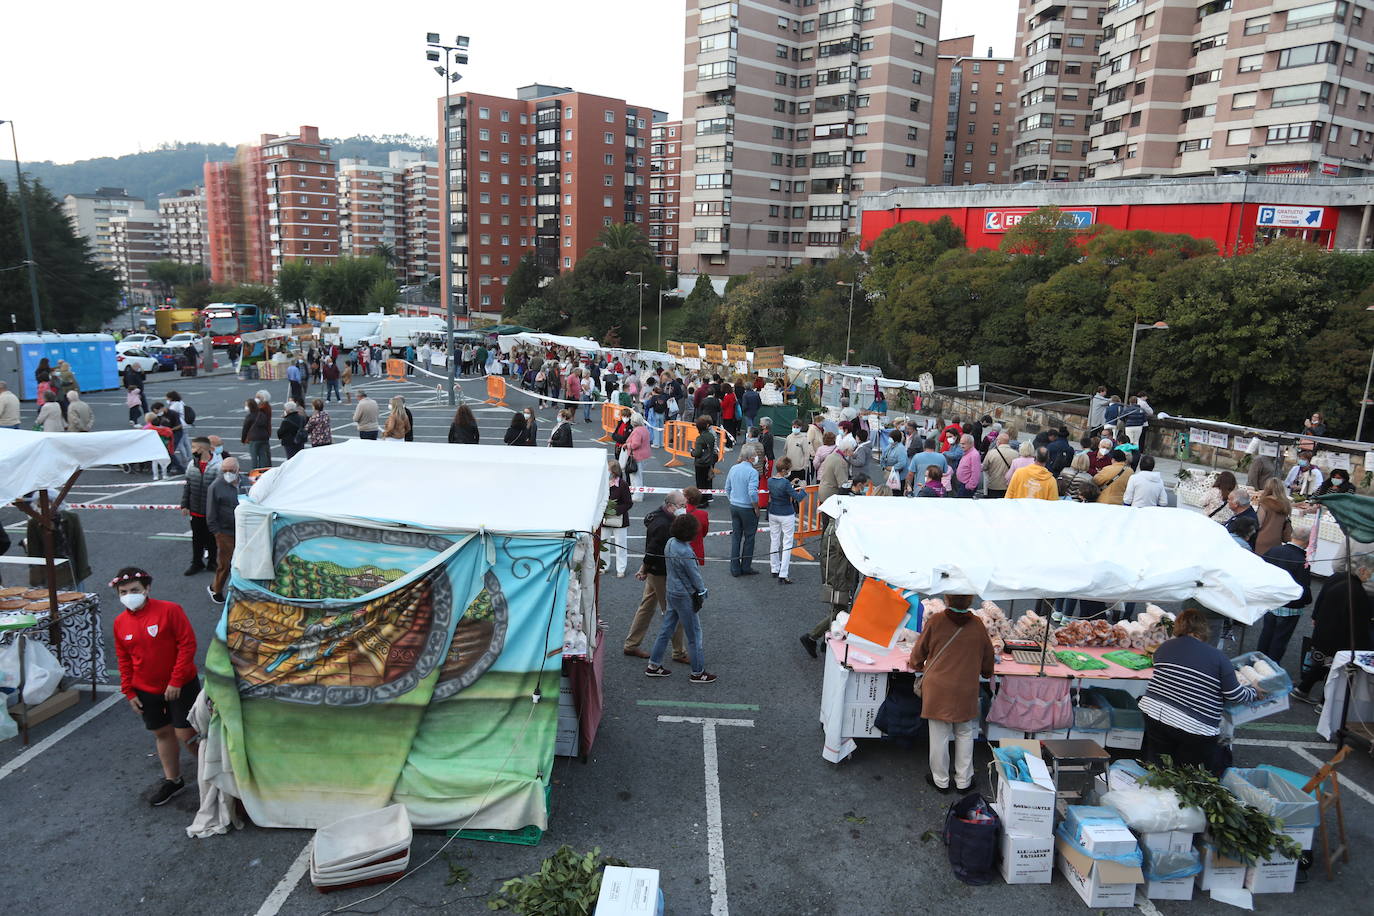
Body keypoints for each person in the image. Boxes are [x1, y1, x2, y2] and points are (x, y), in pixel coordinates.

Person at [109, 567, 201, 806]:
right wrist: (128, 691)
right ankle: (173, 780)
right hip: (146, 690)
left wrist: (176, 680)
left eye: (135, 590)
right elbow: (124, 659)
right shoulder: (120, 623)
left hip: (181, 685)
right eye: (124, 591)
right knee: (162, 733)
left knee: (187, 734)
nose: (130, 595)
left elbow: (187, 645)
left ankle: (213, 776)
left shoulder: (170, 610)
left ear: (147, 589)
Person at [1139, 608, 1258, 776]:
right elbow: (1235, 695)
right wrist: (1255, 692)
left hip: (1154, 713)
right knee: (1190, 774)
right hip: (1194, 727)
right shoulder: (1218, 658)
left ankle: (1157, 788)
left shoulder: (1163, 648)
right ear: (1203, 629)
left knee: (1159, 765)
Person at [909, 595, 995, 793]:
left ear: (947, 599)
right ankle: (963, 781)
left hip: (938, 688)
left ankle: (941, 780)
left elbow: (919, 652)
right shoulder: (977, 625)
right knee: (965, 733)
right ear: (970, 601)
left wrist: (915, 664)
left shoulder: (936, 621)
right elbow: (988, 657)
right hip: (966, 688)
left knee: (939, 735)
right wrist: (986, 672)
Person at [644, 513, 715, 684]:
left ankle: (654, 665)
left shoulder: (670, 543)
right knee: (694, 634)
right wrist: (702, 592)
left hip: (672, 591)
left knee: (666, 629)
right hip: (684, 595)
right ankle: (697, 672)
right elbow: (695, 576)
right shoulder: (685, 551)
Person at [1292, 553, 1374, 703]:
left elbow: (1320, 599)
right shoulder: (1358, 593)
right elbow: (1359, 625)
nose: (1371, 576)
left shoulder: (1336, 578)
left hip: (1323, 632)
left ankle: (1302, 689)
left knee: (1320, 665)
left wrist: (1315, 617)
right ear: (1362, 570)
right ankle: (1325, 703)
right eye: (1371, 572)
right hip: (1340, 640)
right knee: (1335, 673)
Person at [624, 490, 688, 664]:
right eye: (682, 506)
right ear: (670, 506)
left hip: (654, 570)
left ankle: (631, 644)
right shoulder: (663, 525)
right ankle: (678, 652)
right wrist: (644, 568)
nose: (685, 509)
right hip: (661, 572)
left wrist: (645, 568)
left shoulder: (657, 516)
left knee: (646, 607)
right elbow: (652, 550)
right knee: (674, 610)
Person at [1256, 524, 1312, 668]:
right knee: (1280, 639)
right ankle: (1272, 669)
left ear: (1292, 535)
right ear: (1308, 542)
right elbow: (1302, 589)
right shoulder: (1301, 560)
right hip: (1290, 606)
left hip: (1271, 601)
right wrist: (1307, 600)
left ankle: (1257, 663)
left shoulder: (1274, 550)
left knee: (1266, 634)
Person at [205, 458, 246, 603]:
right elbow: (211, 512)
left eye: (231, 470)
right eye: (224, 471)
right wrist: (217, 532)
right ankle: (216, 588)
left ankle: (242, 590)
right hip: (225, 532)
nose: (228, 473)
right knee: (225, 563)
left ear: (238, 469)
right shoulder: (215, 486)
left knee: (245, 562)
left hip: (244, 529)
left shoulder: (246, 482)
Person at [179, 437, 220, 576]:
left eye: (194, 447)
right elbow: (188, 485)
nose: (192, 450)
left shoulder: (218, 466)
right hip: (196, 510)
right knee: (197, 538)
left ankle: (212, 562)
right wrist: (185, 504)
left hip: (211, 511)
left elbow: (221, 490)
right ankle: (196, 562)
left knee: (211, 538)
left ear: (202, 449)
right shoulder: (192, 465)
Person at [766, 458, 806, 584]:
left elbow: (781, 487)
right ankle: (783, 573)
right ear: (784, 470)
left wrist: (791, 483)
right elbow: (798, 497)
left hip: (773, 512)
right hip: (786, 514)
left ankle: (774, 568)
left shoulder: (770, 481)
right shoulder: (786, 484)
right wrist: (803, 488)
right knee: (787, 544)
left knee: (774, 540)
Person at [726, 450, 761, 577]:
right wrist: (756, 508)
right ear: (751, 458)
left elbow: (727, 488)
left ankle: (734, 568)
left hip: (734, 506)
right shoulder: (753, 472)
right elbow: (752, 492)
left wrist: (733, 500)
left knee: (736, 537)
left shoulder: (733, 468)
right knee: (749, 537)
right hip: (747, 508)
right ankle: (746, 566)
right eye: (755, 456)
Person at [603, 459, 633, 577]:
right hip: (605, 518)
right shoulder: (603, 484)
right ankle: (603, 566)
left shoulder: (623, 485)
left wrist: (615, 511)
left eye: (608, 471)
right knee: (603, 543)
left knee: (620, 544)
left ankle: (621, 568)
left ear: (614, 472)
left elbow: (628, 503)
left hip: (619, 520)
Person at [1253, 478, 1293, 556]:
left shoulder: (1265, 502)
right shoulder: (1286, 504)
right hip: (1276, 541)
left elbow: (1259, 523)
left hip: (1262, 539)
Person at [981, 432, 1016, 499]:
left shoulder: (991, 453)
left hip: (994, 485)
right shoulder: (1015, 454)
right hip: (1008, 486)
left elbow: (984, 467)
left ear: (998, 442)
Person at [691, 416, 719, 502]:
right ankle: (707, 497)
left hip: (700, 463)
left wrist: (692, 452)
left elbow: (698, 453)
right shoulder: (711, 435)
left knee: (700, 483)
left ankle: (702, 501)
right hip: (709, 460)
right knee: (707, 480)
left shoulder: (700, 438)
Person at [241, 393, 272, 470]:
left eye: (246, 405)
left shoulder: (249, 416)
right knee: (263, 455)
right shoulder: (262, 414)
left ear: (250, 406)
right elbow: (266, 424)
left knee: (254, 456)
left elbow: (245, 429)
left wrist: (243, 439)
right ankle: (263, 470)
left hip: (254, 438)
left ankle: (255, 471)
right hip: (264, 437)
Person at [623, 414, 651, 500]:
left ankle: (637, 495)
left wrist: (627, 445)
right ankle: (639, 493)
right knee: (639, 476)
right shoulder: (644, 429)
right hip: (644, 455)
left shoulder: (637, 431)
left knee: (635, 477)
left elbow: (635, 444)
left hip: (637, 455)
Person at [683, 486, 710, 566]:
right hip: (695, 550)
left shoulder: (679, 512)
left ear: (686, 499)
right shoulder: (703, 514)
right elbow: (704, 533)